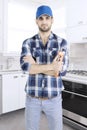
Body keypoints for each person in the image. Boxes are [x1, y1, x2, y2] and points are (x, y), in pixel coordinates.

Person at [20, 5, 69, 130]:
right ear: (36, 21)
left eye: (47, 18)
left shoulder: (62, 42)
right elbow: (26, 68)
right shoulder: (28, 42)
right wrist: (52, 67)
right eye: (41, 18)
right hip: (33, 99)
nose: (44, 21)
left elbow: (61, 71)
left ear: (52, 20)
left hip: (54, 99)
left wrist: (35, 65)